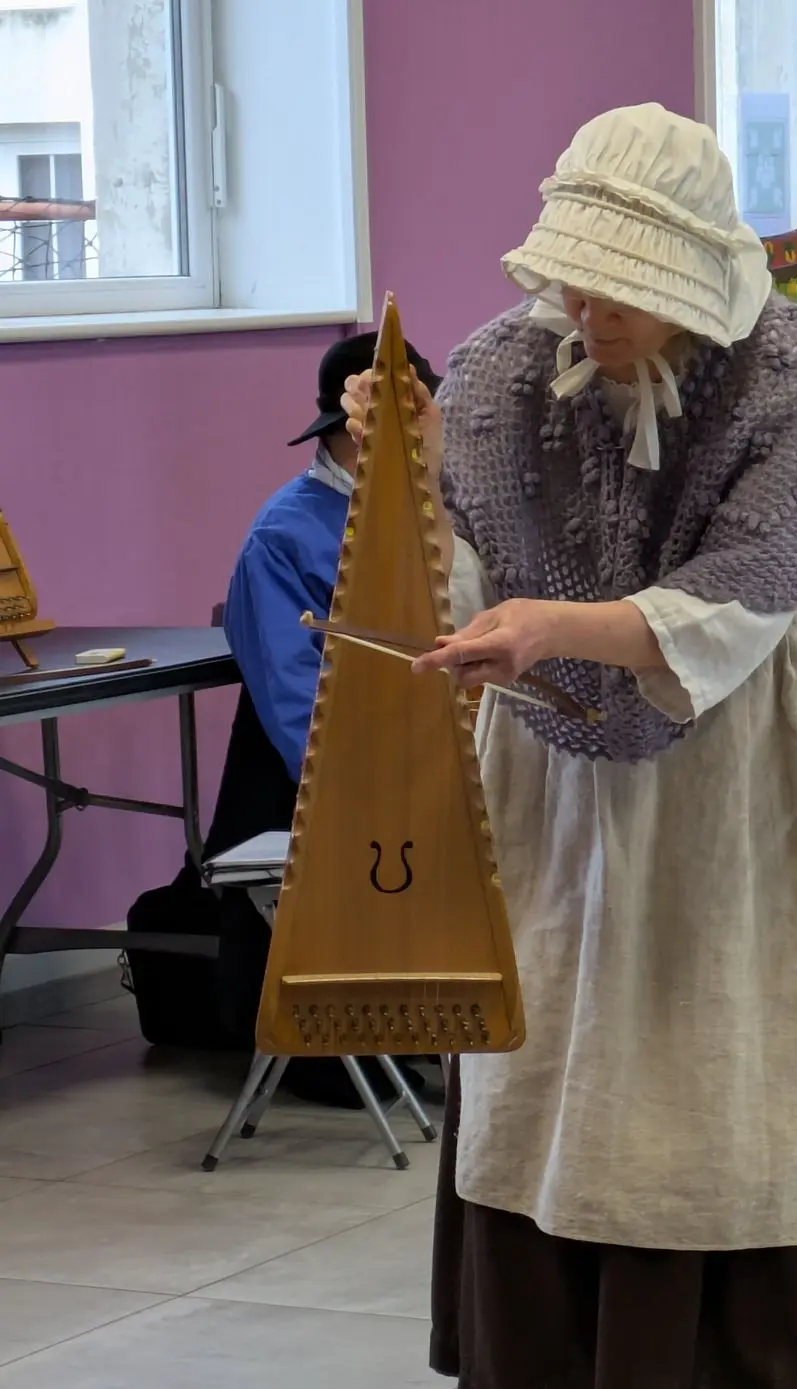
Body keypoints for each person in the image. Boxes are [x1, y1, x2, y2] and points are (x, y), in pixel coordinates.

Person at [341, 105, 797, 1389]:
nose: (589, 310)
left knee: (737, 1085)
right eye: (576, 278)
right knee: (570, 1085)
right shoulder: (503, 369)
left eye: (621, 288)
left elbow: (758, 585)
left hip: (744, 777)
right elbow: (465, 567)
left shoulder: (795, 367)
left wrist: (560, 623)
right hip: (558, 780)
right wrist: (402, 477)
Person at [209, 333, 444, 1105]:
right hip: (317, 767)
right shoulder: (285, 535)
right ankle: (329, 1046)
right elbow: (294, 695)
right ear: (351, 427)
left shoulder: (426, 509)